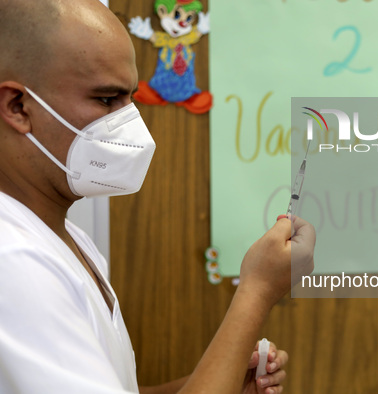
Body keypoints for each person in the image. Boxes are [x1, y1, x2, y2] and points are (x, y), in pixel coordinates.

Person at [0, 1, 315, 393]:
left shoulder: (66, 238)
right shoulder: (14, 261)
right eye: (106, 99)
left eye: (130, 98)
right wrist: (256, 291)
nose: (129, 126)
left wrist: (227, 379)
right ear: (18, 106)